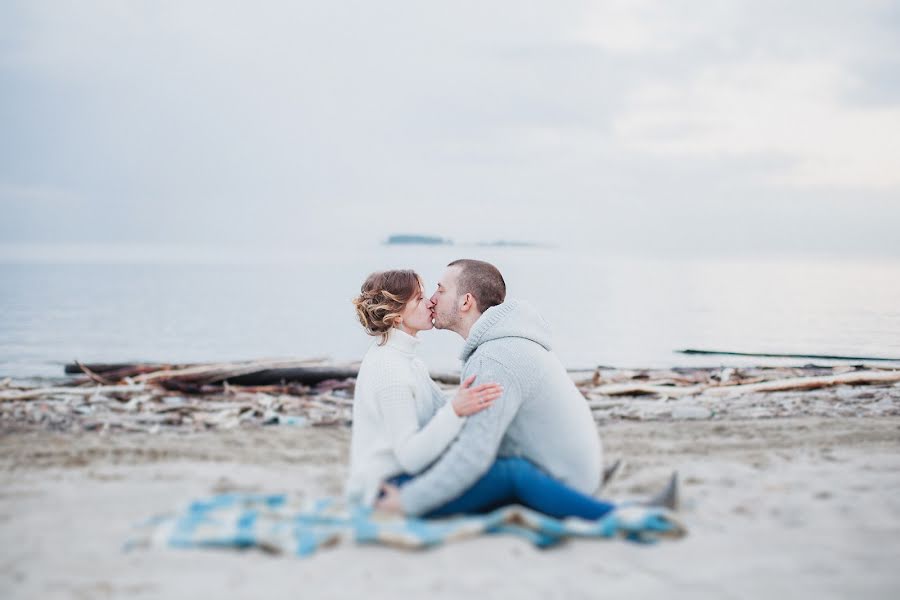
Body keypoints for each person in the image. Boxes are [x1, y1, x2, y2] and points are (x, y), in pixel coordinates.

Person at [348, 266, 674, 520]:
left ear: (466, 301)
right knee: (511, 473)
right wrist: (456, 411)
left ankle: (601, 504)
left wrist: (459, 409)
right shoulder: (392, 370)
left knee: (506, 470)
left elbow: (441, 418)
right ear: (396, 313)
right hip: (387, 491)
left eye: (435, 291)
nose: (431, 300)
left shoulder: (408, 362)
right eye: (421, 298)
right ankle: (618, 516)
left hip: (408, 478)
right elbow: (413, 452)